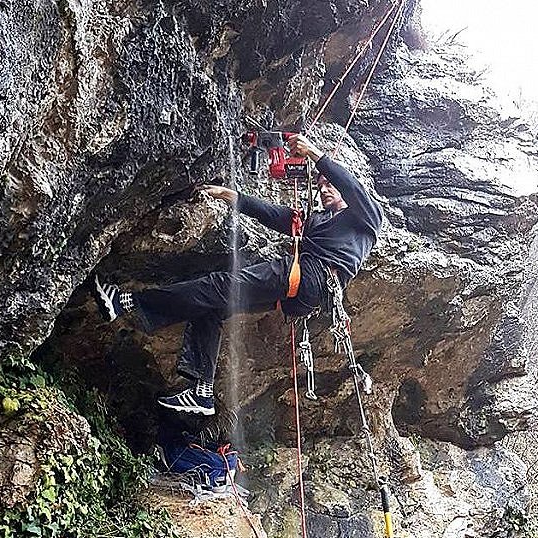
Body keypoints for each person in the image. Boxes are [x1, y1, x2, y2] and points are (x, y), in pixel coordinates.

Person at [93, 134, 383, 416]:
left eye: (329, 185)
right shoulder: (318, 222)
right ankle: (201, 391)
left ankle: (127, 302)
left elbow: (353, 188)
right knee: (213, 305)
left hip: (311, 274)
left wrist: (315, 155)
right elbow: (273, 214)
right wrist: (229, 195)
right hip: (306, 291)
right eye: (320, 185)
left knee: (219, 285)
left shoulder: (366, 218)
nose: (324, 189)